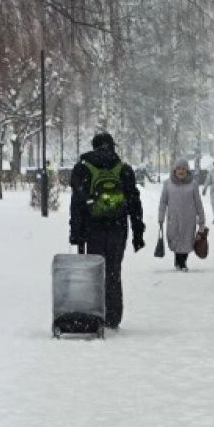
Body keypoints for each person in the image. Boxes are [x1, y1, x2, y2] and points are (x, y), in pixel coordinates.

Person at [68, 132, 146, 329]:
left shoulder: (82, 168)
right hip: (117, 229)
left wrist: (76, 233)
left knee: (94, 272)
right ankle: (112, 317)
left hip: (92, 228)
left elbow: (77, 203)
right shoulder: (124, 169)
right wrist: (138, 233)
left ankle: (94, 315)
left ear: (94, 146)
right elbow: (134, 202)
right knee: (113, 272)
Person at [159, 158, 207, 272]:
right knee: (174, 239)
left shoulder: (193, 184)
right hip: (173, 218)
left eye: (183, 169)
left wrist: (201, 218)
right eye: (178, 169)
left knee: (186, 240)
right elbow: (163, 202)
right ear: (174, 170)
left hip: (189, 219)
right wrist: (161, 216)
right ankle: (178, 260)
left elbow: (198, 202)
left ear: (187, 170)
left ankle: (182, 263)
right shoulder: (167, 184)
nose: (181, 171)